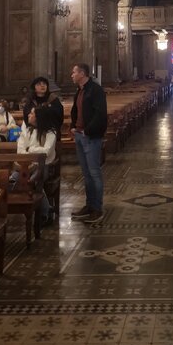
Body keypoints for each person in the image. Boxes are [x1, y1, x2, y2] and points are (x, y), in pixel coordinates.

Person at [70, 63, 107, 224]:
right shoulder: (79, 90)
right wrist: (72, 126)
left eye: (74, 72)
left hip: (90, 137)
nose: (71, 75)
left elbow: (100, 114)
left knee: (94, 173)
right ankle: (89, 205)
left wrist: (88, 130)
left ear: (82, 73)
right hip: (79, 135)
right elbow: (76, 111)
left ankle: (97, 208)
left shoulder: (95, 90)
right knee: (86, 174)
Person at [15, 105, 58, 225]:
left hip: (44, 166)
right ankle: (47, 208)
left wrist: (30, 149)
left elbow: (46, 152)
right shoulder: (27, 131)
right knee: (14, 178)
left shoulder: (50, 132)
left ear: (39, 117)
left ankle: (43, 212)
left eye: (32, 113)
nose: (28, 115)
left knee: (32, 180)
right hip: (26, 165)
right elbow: (20, 150)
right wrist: (32, 151)